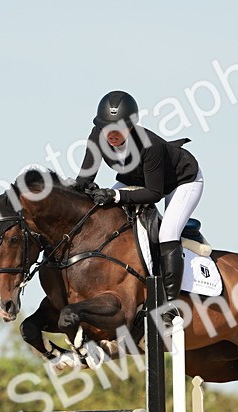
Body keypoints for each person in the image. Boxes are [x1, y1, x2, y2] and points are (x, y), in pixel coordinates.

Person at [74, 90, 202, 309]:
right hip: (138, 179)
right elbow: (85, 179)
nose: (111, 133)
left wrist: (115, 195)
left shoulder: (149, 145)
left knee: (167, 233)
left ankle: (169, 307)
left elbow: (154, 193)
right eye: (106, 126)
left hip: (182, 182)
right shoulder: (97, 136)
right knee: (99, 214)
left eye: (118, 128)